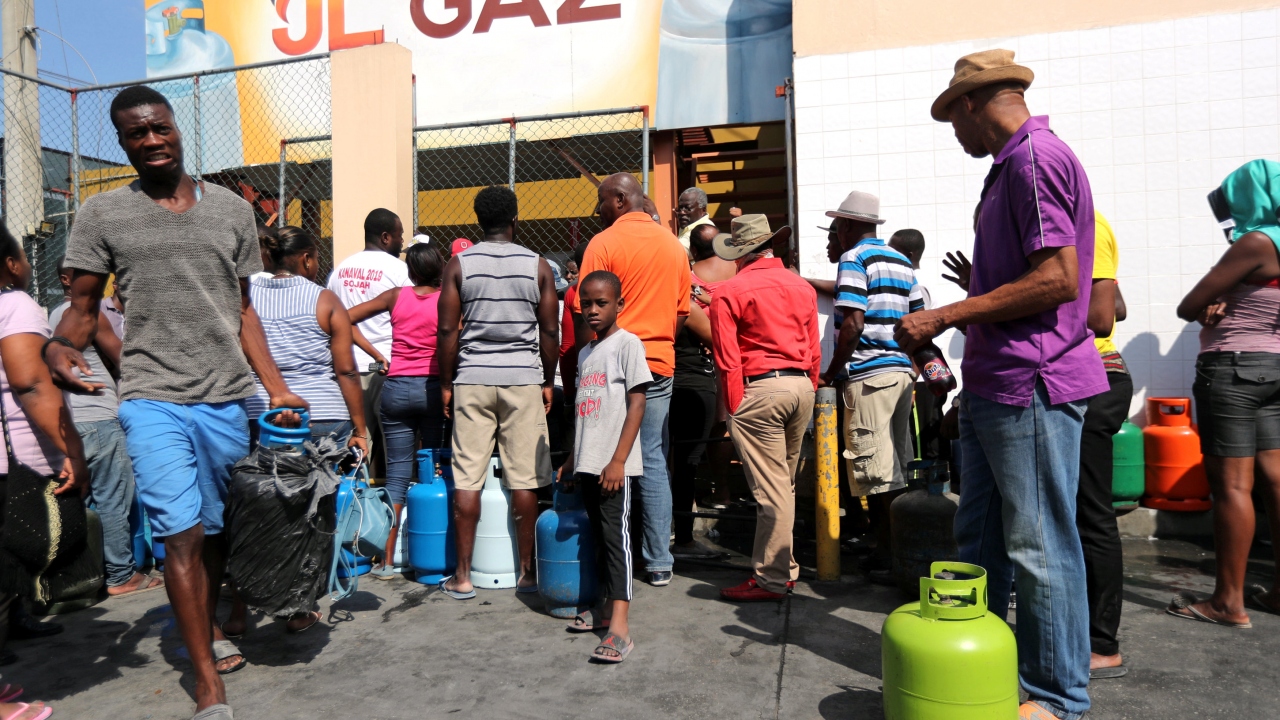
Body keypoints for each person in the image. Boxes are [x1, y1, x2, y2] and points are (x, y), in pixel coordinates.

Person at [46, 85, 308, 720]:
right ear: (123, 142)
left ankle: (213, 625)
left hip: (227, 398)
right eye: (137, 134)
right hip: (150, 397)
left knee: (216, 531)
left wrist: (275, 385)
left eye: (159, 127)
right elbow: (80, 312)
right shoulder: (103, 213)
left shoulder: (230, 210)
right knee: (179, 534)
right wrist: (57, 349)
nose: (151, 140)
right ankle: (206, 681)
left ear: (176, 128)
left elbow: (242, 309)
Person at [896, 50, 1105, 720]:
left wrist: (945, 314)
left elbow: (1058, 279)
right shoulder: (1009, 168)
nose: (953, 134)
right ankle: (983, 673)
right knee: (979, 544)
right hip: (998, 384)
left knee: (1038, 546)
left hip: (1033, 382)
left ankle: (1057, 697)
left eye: (951, 119)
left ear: (970, 105)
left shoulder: (1035, 159)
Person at [220, 226, 370, 636]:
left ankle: (237, 610)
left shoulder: (245, 297)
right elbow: (345, 369)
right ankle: (298, 609)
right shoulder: (323, 300)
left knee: (250, 512)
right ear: (306, 259)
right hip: (319, 419)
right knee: (311, 516)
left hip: (259, 414)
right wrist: (361, 428)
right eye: (316, 258)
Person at [1170, 159, 1280, 629]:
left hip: (1234, 370)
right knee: (1276, 481)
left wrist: (1212, 304)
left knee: (1234, 487)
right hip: (1274, 369)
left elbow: (1188, 305)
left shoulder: (1255, 243)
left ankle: (1227, 602)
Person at [436, 186, 559, 599]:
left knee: (467, 477)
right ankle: (527, 573)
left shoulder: (459, 265)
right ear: (515, 219)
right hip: (523, 378)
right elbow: (549, 330)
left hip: (471, 378)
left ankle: (464, 575)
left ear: (477, 221)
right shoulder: (537, 265)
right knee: (525, 477)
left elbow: (449, 330)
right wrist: (546, 379)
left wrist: (446, 383)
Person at [575, 173, 691, 587]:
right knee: (653, 460)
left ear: (621, 199)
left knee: (605, 455)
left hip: (610, 364)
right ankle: (658, 560)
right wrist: (656, 346)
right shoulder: (673, 247)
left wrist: (584, 363)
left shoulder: (603, 243)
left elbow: (583, 307)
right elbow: (681, 312)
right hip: (658, 360)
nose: (598, 211)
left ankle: (614, 560)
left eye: (602, 202)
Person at [709, 215, 820, 601]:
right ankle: (780, 572)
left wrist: (736, 403)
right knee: (782, 487)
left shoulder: (729, 290)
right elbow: (814, 348)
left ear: (739, 254)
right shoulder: (801, 286)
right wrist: (810, 385)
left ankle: (772, 579)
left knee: (772, 492)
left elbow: (727, 359)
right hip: (801, 386)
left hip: (761, 391)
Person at [820, 192, 924, 583]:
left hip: (869, 376)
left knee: (877, 474)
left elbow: (853, 324)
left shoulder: (855, 258)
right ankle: (894, 550)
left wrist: (831, 373)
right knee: (897, 468)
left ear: (846, 226)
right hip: (900, 375)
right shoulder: (901, 261)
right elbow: (919, 321)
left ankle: (890, 556)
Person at [0, 225, 80, 720]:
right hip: (16, 462)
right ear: (10, 263)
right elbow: (30, 384)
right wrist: (69, 449)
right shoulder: (15, 304)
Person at [51, 261, 163, 599]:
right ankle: (120, 575)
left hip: (68, 422)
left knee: (76, 502)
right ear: (69, 280)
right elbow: (124, 357)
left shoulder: (50, 316)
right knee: (114, 501)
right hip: (99, 418)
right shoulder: (85, 315)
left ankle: (75, 576)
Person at [558, 270, 650, 662]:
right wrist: (571, 458)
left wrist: (618, 460)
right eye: (586, 305)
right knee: (595, 538)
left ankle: (620, 628)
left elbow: (638, 403)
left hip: (615, 467)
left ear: (619, 305)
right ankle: (599, 609)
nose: (593, 311)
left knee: (617, 542)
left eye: (601, 303)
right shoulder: (585, 353)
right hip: (588, 464)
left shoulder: (628, 345)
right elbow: (585, 412)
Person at [347, 243, 450, 580]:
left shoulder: (395, 296)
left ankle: (386, 561)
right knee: (432, 470)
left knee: (397, 477)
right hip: (433, 389)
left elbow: (344, 319)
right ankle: (430, 552)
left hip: (395, 388)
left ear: (410, 271)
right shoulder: (446, 300)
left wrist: (377, 356)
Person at [1078, 212, 1132, 676]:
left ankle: (1103, 643)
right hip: (1095, 377)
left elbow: (1099, 317)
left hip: (1096, 378)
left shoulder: (1086, 223)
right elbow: (1119, 307)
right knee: (1080, 510)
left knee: (1091, 511)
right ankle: (1085, 630)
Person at [327, 208, 410, 474]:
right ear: (386, 237)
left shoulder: (341, 270)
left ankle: (355, 508)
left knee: (358, 445)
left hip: (348, 368)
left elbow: (332, 317)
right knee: (394, 446)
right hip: (388, 366)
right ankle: (393, 509)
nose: (402, 242)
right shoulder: (399, 270)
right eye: (399, 236)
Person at [671, 223, 735, 555]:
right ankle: (682, 538)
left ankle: (666, 534)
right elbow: (718, 338)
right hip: (693, 381)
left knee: (668, 460)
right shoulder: (684, 300)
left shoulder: (650, 297)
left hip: (666, 381)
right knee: (687, 462)